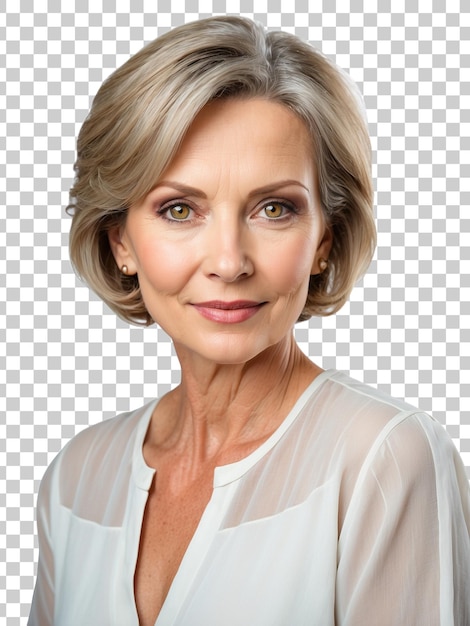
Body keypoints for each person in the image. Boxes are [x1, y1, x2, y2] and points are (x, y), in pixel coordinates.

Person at [28, 15, 470, 626]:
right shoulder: (76, 478)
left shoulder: (384, 458)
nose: (230, 262)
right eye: (179, 209)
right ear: (120, 241)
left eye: (274, 208)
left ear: (324, 239)